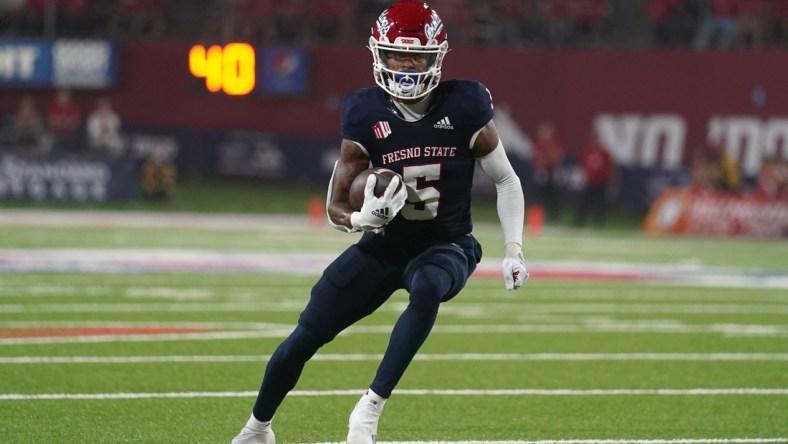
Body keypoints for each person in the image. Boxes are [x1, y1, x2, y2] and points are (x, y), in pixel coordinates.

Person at [231, 1, 529, 443]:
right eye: (396, 56)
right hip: (385, 246)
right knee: (306, 333)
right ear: (378, 55)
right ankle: (257, 428)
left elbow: (506, 179)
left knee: (428, 285)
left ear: (437, 59)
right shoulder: (364, 112)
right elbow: (334, 203)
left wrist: (514, 249)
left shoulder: (466, 104)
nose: (405, 67)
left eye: (415, 58)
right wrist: (360, 218)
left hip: (447, 244)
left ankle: (369, 408)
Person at [574, 128, 615, 227]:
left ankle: (598, 222)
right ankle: (580, 221)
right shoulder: (587, 151)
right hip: (590, 181)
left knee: (600, 204)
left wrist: (611, 180)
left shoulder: (605, 152)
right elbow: (584, 165)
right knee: (585, 202)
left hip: (602, 181)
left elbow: (610, 167)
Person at [531, 119, 565, 222]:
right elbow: (537, 158)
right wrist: (547, 159)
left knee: (553, 197)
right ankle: (535, 218)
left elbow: (557, 156)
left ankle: (555, 217)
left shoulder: (554, 143)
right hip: (542, 173)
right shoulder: (538, 143)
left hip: (551, 173)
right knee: (538, 197)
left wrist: (547, 158)